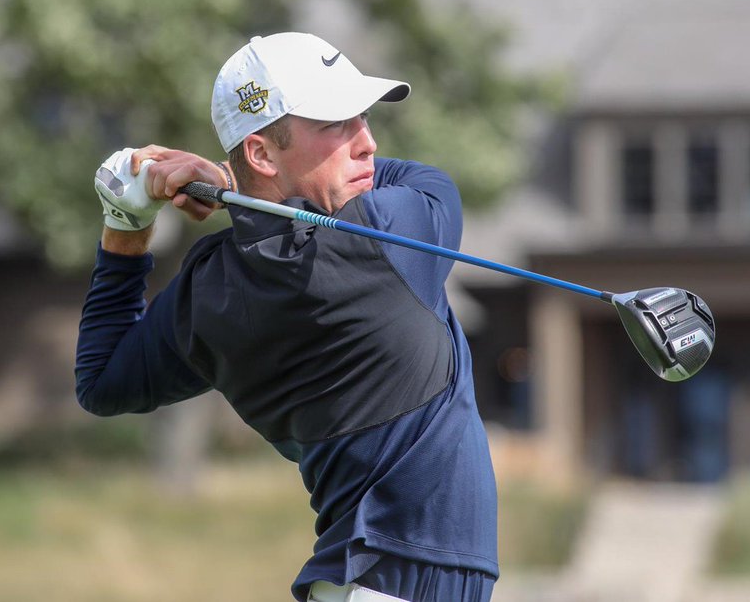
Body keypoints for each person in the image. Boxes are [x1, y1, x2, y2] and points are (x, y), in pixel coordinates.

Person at [77, 32, 498, 602]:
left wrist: (126, 223)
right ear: (260, 153)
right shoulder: (384, 235)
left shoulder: (208, 290)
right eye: (335, 126)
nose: (367, 143)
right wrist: (230, 186)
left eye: (364, 120)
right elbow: (431, 182)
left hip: (357, 578)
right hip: (397, 582)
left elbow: (100, 380)